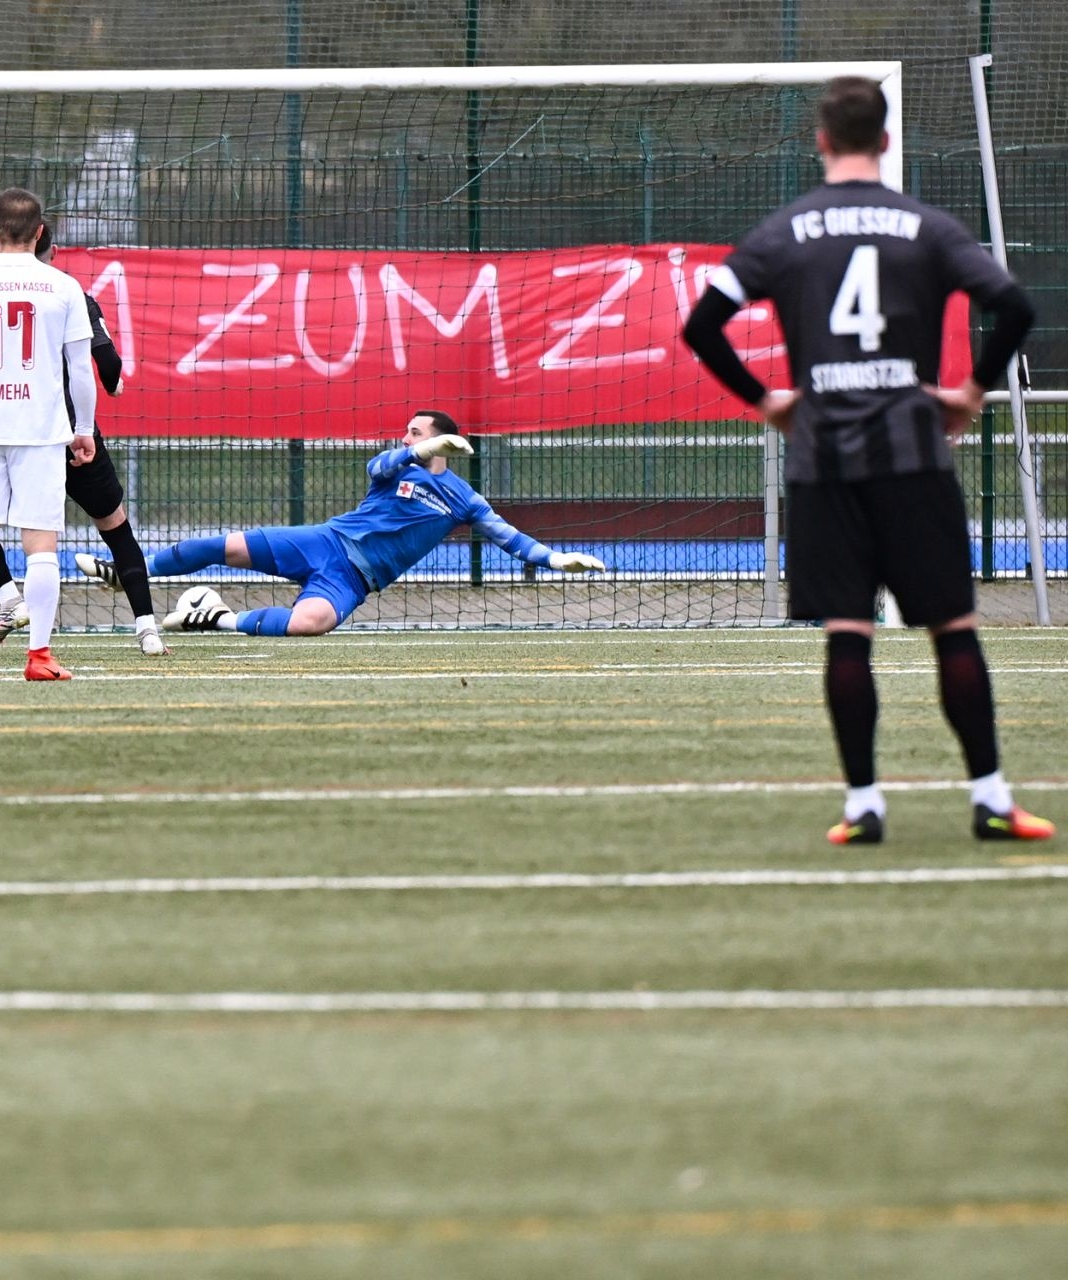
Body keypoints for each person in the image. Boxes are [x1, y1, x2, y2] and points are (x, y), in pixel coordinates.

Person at [680, 75, 1050, 844]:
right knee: (953, 630)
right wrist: (970, 392)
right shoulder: (928, 227)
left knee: (849, 632)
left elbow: (703, 325)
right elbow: (1015, 306)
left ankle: (862, 808)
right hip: (914, 455)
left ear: (822, 141)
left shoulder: (784, 231)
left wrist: (768, 401)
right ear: (884, 140)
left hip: (824, 460)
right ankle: (990, 799)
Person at [78, 409, 605, 635]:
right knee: (226, 545)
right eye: (407, 431)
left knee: (310, 624)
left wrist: (556, 559)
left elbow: (509, 538)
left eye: (417, 431)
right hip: (325, 542)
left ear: (443, 441)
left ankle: (213, 617)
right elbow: (378, 466)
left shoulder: (464, 498)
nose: (406, 436)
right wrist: (418, 450)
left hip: (354, 579)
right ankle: (131, 570)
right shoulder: (396, 466)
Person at [0, 223, 167, 656]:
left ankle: (10, 599)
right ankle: (147, 629)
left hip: (12, 435)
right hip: (70, 436)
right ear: (52, 248)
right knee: (116, 528)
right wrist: (113, 385)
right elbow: (105, 362)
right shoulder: (71, 294)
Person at [0, 187, 99, 681]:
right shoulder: (64, 287)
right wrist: (84, 429)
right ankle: (39, 657)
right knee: (41, 546)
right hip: (41, 430)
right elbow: (81, 368)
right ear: (40, 232)